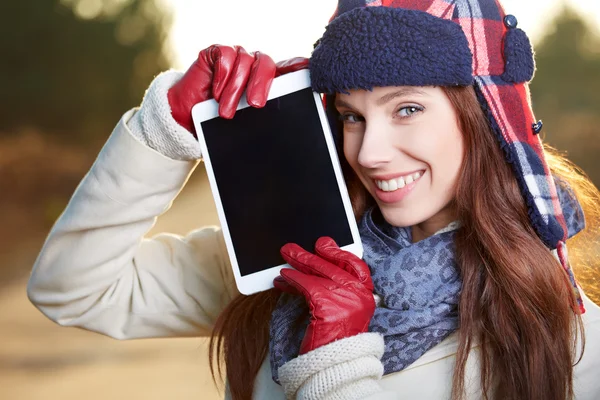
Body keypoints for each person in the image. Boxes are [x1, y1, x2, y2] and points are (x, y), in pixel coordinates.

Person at [27, 0, 600, 399]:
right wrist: (165, 128)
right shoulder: (297, 258)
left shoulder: (574, 343)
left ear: (484, 116)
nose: (369, 152)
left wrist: (334, 367)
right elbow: (74, 289)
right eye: (351, 116)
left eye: (407, 109)